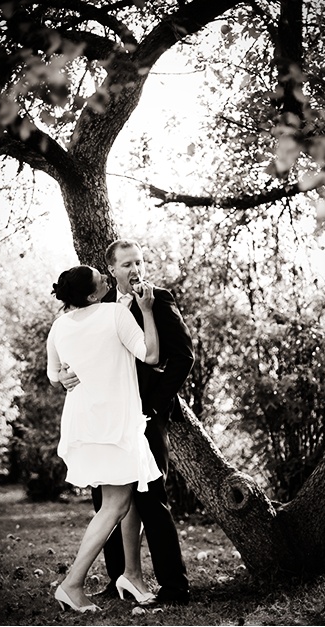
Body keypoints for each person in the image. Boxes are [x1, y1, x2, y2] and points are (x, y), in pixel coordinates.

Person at [59, 239, 195, 605]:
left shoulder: (160, 299)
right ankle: (119, 578)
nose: (136, 270)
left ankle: (174, 586)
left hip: (145, 415)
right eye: (127, 265)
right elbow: (80, 357)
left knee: (151, 499)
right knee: (108, 499)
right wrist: (65, 374)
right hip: (107, 418)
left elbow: (183, 357)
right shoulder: (98, 308)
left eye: (140, 262)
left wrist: (152, 405)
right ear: (112, 271)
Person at [47, 264, 162, 613]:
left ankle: (131, 574)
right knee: (115, 503)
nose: (109, 280)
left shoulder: (59, 325)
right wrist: (145, 311)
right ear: (93, 294)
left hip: (86, 421)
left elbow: (53, 373)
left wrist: (62, 379)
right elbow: (152, 355)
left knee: (125, 495)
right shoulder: (115, 314)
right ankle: (72, 584)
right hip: (114, 420)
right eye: (102, 279)